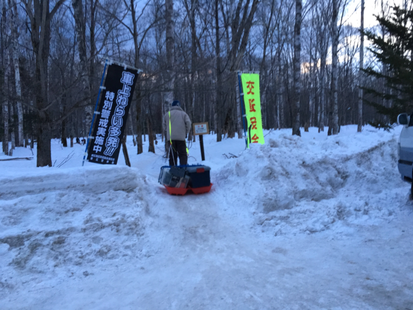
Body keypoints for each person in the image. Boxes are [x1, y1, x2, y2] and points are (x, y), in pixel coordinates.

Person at [163, 100, 191, 166]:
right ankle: (183, 170)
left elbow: (164, 125)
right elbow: (188, 123)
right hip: (181, 138)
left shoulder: (167, 114)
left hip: (171, 139)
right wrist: (185, 132)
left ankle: (173, 171)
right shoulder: (183, 114)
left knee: (172, 156)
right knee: (183, 155)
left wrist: (168, 132)